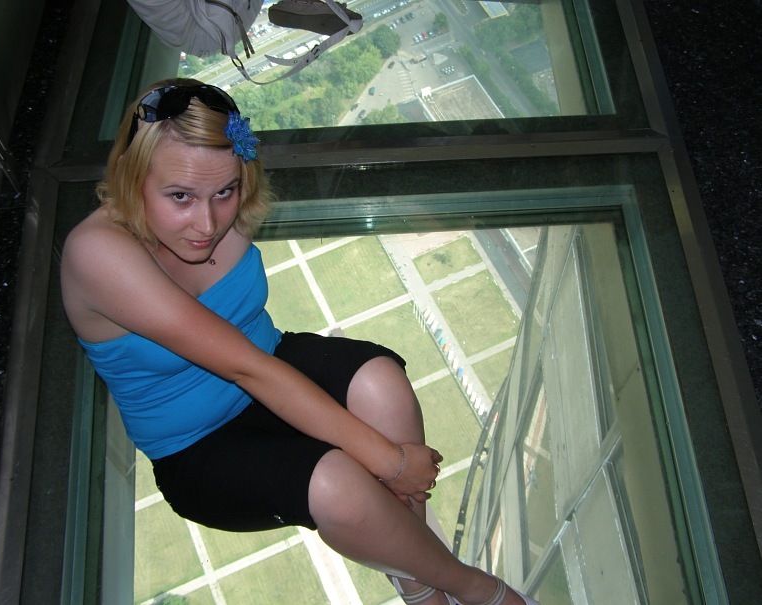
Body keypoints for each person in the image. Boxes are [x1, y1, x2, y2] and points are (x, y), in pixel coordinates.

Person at [60, 77, 538, 605]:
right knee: (337, 484)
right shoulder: (98, 252)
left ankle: (414, 576)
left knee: (381, 383)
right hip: (196, 445)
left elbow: (260, 363)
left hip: (271, 359)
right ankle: (479, 589)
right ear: (132, 177)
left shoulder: (223, 207)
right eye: (180, 197)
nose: (208, 222)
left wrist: (389, 464)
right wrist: (394, 464)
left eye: (225, 192)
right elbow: (245, 369)